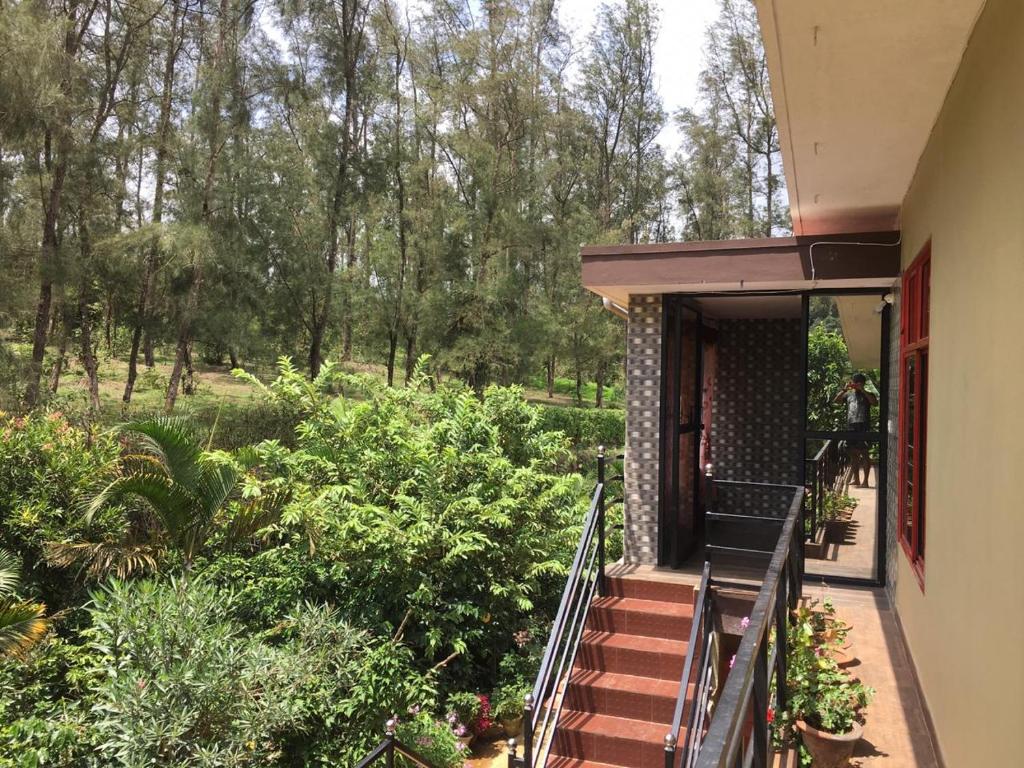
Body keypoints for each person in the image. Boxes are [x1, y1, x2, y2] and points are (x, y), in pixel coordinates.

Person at [834, 373, 878, 486]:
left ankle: (866, 481)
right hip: (850, 427)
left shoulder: (868, 394)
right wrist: (844, 389)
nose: (857, 384)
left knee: (865, 454)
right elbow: (836, 401)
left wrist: (863, 390)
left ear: (863, 383)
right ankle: (856, 479)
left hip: (863, 427)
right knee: (853, 454)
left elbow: (875, 403)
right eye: (855, 382)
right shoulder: (849, 395)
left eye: (859, 382)